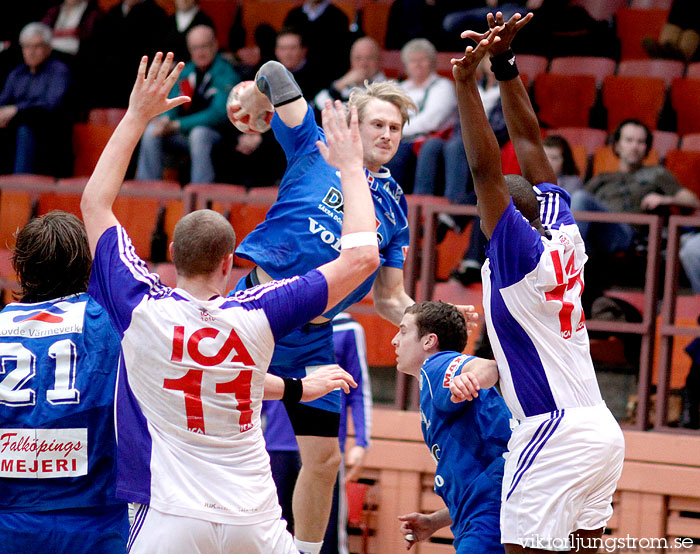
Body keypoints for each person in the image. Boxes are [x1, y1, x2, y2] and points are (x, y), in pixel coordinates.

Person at [80, 51, 381, 553]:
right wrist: (351, 167)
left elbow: (94, 203)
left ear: (171, 254)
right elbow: (361, 259)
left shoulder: (141, 308)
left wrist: (137, 114)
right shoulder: (260, 311)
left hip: (169, 514)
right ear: (230, 263)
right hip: (252, 515)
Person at [449, 14, 625, 552]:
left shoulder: (519, 252)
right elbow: (527, 139)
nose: (485, 216)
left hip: (552, 428)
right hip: (602, 431)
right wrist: (505, 67)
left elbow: (485, 172)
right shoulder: (562, 233)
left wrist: (465, 84)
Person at [227, 60, 417, 554]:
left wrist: (433, 318)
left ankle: (305, 552)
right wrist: (253, 100)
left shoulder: (395, 207)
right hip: (258, 311)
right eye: (377, 123)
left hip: (311, 335)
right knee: (220, 436)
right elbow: (274, 72)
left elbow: (390, 298)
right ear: (354, 123)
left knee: (326, 459)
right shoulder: (313, 143)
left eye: (395, 128)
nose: (387, 134)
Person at [0, 211, 127, 553]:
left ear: (22, 268)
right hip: (94, 520)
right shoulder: (111, 324)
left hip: (10, 521)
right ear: (85, 265)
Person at [393, 301, 511, 553]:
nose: (395, 340)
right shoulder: (431, 387)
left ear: (429, 341)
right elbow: (470, 479)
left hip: (489, 513)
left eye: (403, 331)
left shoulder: (435, 365)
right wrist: (435, 521)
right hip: (475, 513)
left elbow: (487, 367)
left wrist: (470, 379)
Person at [264, 311, 372, 554]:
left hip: (323, 445)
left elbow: (358, 389)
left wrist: (362, 442)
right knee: (272, 533)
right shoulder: (273, 321)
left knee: (327, 536)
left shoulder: (347, 328)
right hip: (274, 446)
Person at [571, 118, 699, 257]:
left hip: (629, 235)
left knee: (579, 197)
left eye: (640, 142)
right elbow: (576, 207)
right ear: (617, 145)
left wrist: (665, 199)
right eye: (629, 140)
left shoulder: (657, 173)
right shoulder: (602, 178)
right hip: (596, 235)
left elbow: (693, 201)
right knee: (575, 200)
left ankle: (564, 265)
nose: (634, 146)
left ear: (647, 148)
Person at [136, 25, 240, 184]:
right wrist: (165, 120)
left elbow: (217, 114)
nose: (200, 52)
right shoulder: (185, 71)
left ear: (215, 45)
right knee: (152, 131)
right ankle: (148, 191)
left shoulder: (227, 73)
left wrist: (177, 124)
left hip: (219, 135)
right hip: (184, 132)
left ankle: (200, 194)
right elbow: (172, 102)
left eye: (204, 46)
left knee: (199, 134)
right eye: (195, 48)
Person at [385, 38, 458, 192]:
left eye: (422, 59)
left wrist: (395, 131)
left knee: (396, 154)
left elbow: (431, 120)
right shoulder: (398, 88)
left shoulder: (442, 86)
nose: (417, 64)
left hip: (429, 142)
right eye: (412, 60)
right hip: (399, 139)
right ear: (406, 65)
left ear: (431, 62)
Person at [0, 22, 72, 176]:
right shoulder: (17, 73)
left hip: (47, 130)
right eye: (26, 47)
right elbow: (3, 102)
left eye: (36, 46)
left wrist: (17, 110)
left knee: (26, 127)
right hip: (14, 127)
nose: (30, 52)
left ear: (48, 48)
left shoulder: (58, 71)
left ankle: (20, 190)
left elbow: (52, 104)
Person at [283, 0, 351, 83]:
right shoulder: (293, 16)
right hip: (294, 78)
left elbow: (341, 58)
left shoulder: (338, 18)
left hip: (327, 80)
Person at [314, 36, 386, 112]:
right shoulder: (343, 87)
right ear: (351, 60)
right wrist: (341, 84)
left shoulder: (389, 87)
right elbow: (319, 104)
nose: (363, 63)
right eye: (358, 58)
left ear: (379, 60)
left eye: (369, 58)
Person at [274, 27, 326, 101]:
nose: (287, 54)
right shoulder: (269, 75)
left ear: (304, 50)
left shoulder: (318, 75)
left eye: (292, 48)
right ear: (276, 51)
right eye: (283, 48)